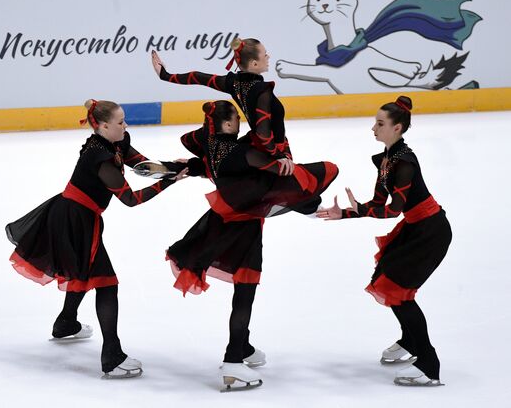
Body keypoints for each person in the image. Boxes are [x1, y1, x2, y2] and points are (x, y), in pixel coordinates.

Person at [6, 99, 187, 379]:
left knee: (82, 272)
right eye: (120, 122)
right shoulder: (99, 158)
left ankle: (66, 323)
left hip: (80, 216)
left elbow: (141, 164)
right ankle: (112, 357)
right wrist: (168, 182)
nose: (125, 125)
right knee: (106, 283)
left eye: (124, 120)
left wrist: (172, 168)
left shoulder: (116, 142)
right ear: (102, 126)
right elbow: (131, 199)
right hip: (73, 220)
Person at [166, 100, 338, 391]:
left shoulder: (211, 149)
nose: (240, 124)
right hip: (242, 228)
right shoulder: (239, 151)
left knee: (243, 291)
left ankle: (242, 346)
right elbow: (269, 170)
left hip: (221, 223)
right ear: (229, 124)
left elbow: (200, 158)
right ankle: (233, 362)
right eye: (236, 119)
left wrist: (183, 166)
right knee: (245, 291)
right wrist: (282, 163)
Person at [317, 96, 452, 386]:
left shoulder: (404, 163)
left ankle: (429, 364)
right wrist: (346, 214)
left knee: (397, 290)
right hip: (415, 228)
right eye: (375, 122)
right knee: (389, 283)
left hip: (430, 232)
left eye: (380, 123)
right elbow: (378, 202)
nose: (373, 128)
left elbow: (393, 209)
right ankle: (410, 342)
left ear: (397, 128)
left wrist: (357, 211)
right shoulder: (387, 159)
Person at [151, 37, 328, 215]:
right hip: (269, 147)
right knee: (295, 184)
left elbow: (199, 77)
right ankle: (316, 211)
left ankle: (180, 167)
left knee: (234, 169)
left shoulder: (234, 83)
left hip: (255, 143)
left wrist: (165, 76)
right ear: (253, 63)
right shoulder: (261, 91)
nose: (268, 56)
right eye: (264, 54)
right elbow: (264, 131)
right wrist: (278, 154)